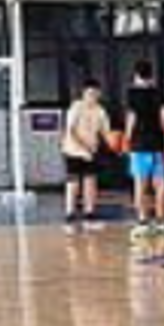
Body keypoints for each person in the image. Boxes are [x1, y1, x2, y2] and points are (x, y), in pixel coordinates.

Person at [125, 60, 164, 238]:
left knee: (140, 185)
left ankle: (143, 222)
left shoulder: (132, 93)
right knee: (160, 185)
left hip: (140, 145)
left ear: (136, 74)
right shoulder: (158, 93)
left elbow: (132, 118)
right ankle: (160, 223)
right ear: (151, 75)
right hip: (157, 144)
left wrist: (127, 139)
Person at [61, 78, 111, 230]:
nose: (92, 96)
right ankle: (70, 214)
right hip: (73, 150)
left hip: (91, 151)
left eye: (95, 93)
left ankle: (89, 213)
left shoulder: (100, 110)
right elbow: (71, 131)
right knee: (73, 182)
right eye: (90, 93)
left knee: (90, 181)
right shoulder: (76, 107)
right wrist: (85, 147)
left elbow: (106, 132)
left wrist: (117, 145)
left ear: (99, 94)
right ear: (84, 93)